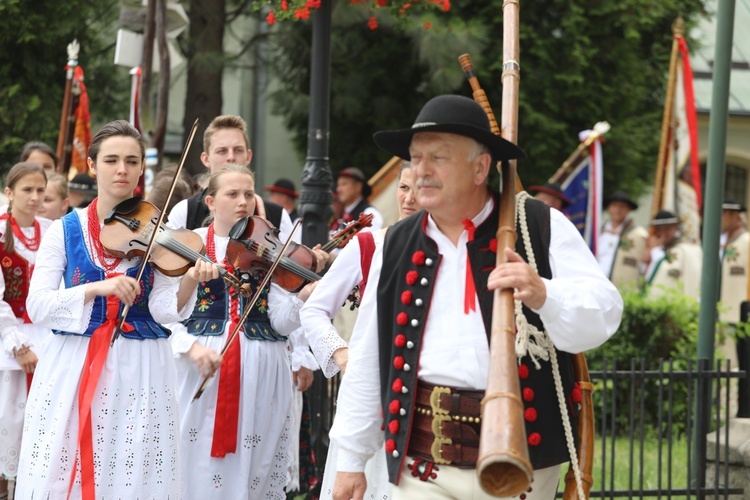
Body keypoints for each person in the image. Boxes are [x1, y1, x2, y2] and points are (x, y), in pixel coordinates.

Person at [328, 95, 622, 500]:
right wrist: (351, 460)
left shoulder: (538, 225)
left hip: (520, 464)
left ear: (481, 167)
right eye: (416, 158)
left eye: (439, 158)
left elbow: (604, 314)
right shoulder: (395, 244)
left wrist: (545, 295)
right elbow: (368, 358)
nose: (422, 171)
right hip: (422, 461)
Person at [15, 120, 217, 499]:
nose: (121, 169)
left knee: (132, 469)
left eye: (131, 160)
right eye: (111, 160)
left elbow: (163, 310)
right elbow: (38, 305)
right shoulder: (64, 229)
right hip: (75, 363)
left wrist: (191, 278)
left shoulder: (159, 233)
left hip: (141, 367)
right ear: (92, 166)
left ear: (142, 168)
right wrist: (96, 288)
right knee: (64, 467)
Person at [168, 163, 320, 499]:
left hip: (262, 371)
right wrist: (192, 279)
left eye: (249, 194)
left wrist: (303, 300)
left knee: (256, 466)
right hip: (202, 365)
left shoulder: (268, 251)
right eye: (232, 194)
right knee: (193, 463)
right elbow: (168, 312)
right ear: (210, 201)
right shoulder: (191, 244)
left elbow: (278, 320)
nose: (243, 201)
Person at [0, 162, 53, 500]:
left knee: (43, 416)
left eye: (39, 190)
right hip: (9, 333)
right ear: (9, 193)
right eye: (27, 190)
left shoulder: (51, 230)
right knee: (10, 416)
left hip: (46, 333)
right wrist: (17, 345)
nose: (35, 197)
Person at [167, 115, 293, 239]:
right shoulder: (185, 211)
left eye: (238, 150)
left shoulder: (278, 215)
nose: (231, 157)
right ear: (206, 159)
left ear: (248, 156)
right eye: (222, 151)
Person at [719, 198, 750, 416]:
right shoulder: (729, 242)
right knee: (724, 365)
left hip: (739, 317)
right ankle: (724, 410)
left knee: (733, 367)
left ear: (733, 215)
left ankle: (729, 412)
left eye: (722, 214)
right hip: (725, 316)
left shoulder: (745, 241)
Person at [642, 210, 702, 301]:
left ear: (676, 228)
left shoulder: (685, 250)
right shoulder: (655, 251)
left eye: (667, 228)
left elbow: (691, 279)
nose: (664, 233)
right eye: (660, 229)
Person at [597, 191, 648, 292]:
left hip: (621, 290)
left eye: (622, 207)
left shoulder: (639, 235)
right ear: (608, 208)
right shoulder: (598, 233)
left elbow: (644, 265)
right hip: (596, 286)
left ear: (629, 210)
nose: (618, 210)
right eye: (614, 206)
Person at [331, 167, 384, 233]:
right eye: (338, 185)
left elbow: (366, 241)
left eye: (344, 184)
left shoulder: (369, 214)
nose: (338, 190)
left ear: (358, 186)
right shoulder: (341, 217)